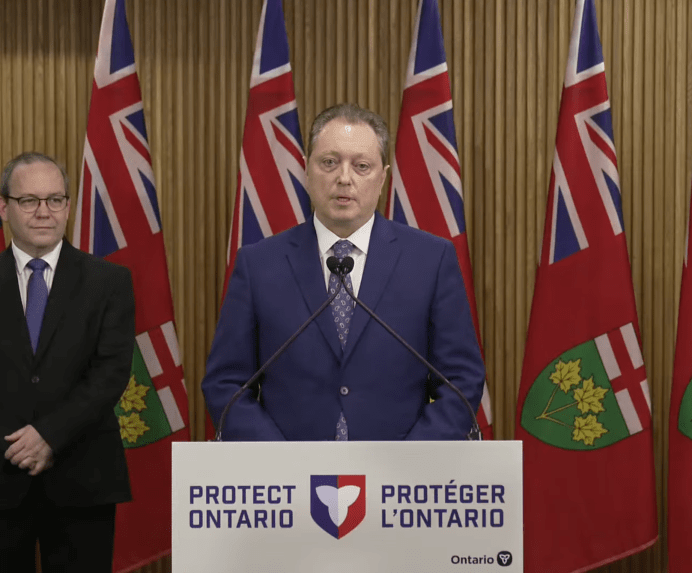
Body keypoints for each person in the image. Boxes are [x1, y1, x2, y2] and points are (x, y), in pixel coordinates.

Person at [203, 103, 485, 441]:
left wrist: (414, 459)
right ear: (307, 171)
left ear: (383, 177)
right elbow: (226, 383)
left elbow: (460, 379)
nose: (344, 178)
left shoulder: (430, 260)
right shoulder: (259, 264)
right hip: (288, 476)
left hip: (401, 478)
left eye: (361, 165)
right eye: (329, 162)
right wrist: (276, 460)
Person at [0, 152, 135, 572]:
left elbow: (111, 371)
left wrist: (50, 435)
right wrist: (15, 446)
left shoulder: (109, 282)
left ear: (67, 205)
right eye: (29, 201)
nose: (44, 212)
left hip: (82, 479)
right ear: (4, 207)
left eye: (55, 199)